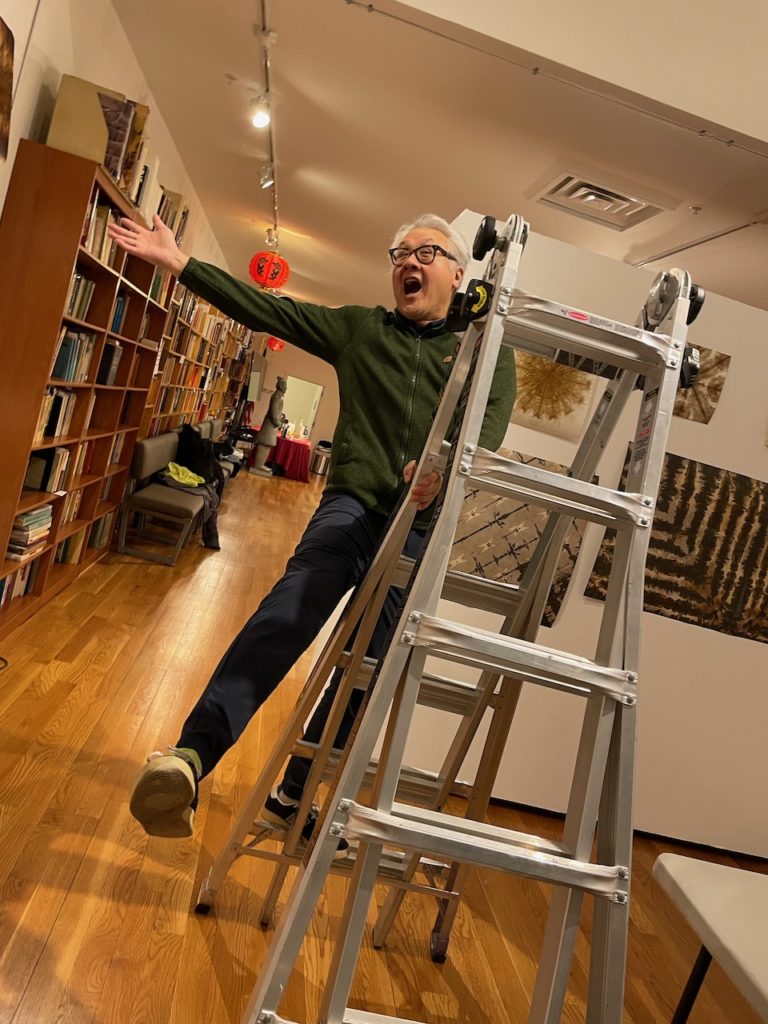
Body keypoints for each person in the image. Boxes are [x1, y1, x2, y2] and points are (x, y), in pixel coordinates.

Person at [107, 211, 516, 844]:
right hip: (352, 508)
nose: (408, 262)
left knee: (368, 665)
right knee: (287, 614)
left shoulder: (489, 354)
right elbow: (269, 310)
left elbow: (483, 439)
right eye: (399, 253)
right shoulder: (360, 329)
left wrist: (445, 468)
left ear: (459, 273)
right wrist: (180, 263)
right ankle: (189, 759)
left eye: (426, 252)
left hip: (420, 527)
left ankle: (296, 791)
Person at [251, 376, 287, 476]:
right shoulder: (277, 396)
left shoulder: (279, 396)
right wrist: (277, 422)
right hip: (270, 425)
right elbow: (274, 411)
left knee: (267, 445)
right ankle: (258, 465)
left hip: (272, 425)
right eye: (285, 386)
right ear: (281, 386)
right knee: (264, 443)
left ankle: (260, 464)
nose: (286, 388)